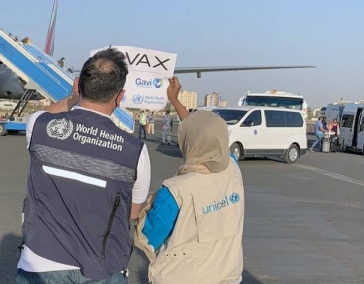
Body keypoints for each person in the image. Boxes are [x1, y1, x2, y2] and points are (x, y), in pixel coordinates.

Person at [17, 47, 151, 283]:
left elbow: (45, 113)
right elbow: (133, 212)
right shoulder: (135, 150)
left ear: (78, 85)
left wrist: (72, 99)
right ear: (119, 97)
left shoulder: (39, 126)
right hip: (102, 266)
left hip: (40, 260)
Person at [134, 110, 245, 284]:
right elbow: (206, 133)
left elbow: (149, 238)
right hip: (228, 275)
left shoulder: (174, 191)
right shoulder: (233, 169)